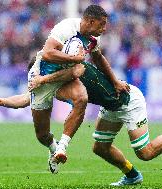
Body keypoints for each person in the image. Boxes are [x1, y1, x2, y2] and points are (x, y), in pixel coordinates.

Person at [0, 60, 162, 186]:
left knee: (145, 152)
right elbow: (26, 98)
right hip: (111, 106)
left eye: (38, 74)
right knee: (100, 147)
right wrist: (1, 100)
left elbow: (85, 67)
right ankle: (133, 176)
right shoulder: (49, 82)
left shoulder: (69, 71)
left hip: (128, 101)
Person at [26, 4, 129, 173]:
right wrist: (73, 58)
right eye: (101, 24)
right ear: (90, 21)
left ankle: (62, 148)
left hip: (65, 78)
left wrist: (115, 81)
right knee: (42, 135)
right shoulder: (66, 28)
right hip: (42, 77)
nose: (104, 28)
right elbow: (47, 53)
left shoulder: (94, 38)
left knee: (82, 98)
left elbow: (98, 58)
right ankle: (53, 147)